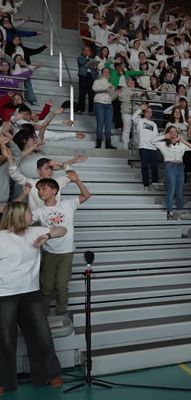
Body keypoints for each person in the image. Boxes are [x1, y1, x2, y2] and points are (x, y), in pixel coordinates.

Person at [0, 202, 66, 394]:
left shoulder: (34, 231)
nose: (32, 215)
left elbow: (62, 229)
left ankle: (49, 374)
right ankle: (4, 381)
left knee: (41, 335)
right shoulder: (2, 238)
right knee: (4, 340)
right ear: (19, 215)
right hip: (5, 296)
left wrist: (47, 235)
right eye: (29, 212)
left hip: (31, 294)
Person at [32, 174, 91, 316]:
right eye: (39, 190)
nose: (40, 192)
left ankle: (61, 312)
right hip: (49, 253)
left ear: (54, 190)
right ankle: (42, 314)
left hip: (66, 252)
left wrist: (77, 180)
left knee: (61, 285)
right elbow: (24, 222)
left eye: (43, 188)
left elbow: (86, 195)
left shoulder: (67, 204)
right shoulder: (39, 211)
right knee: (46, 287)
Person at [151, 126, 191, 220]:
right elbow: (152, 141)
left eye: (175, 132)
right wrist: (164, 136)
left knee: (180, 190)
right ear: (168, 133)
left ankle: (180, 211)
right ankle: (170, 211)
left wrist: (183, 140)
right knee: (171, 189)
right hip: (170, 166)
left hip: (180, 167)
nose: (173, 133)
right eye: (171, 132)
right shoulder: (163, 144)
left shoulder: (181, 144)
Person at [133, 103, 159, 190]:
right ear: (144, 113)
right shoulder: (140, 121)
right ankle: (146, 184)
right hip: (143, 147)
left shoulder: (154, 124)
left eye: (150, 112)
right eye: (147, 111)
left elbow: (156, 136)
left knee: (154, 167)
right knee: (144, 166)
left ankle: (155, 183)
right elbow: (133, 118)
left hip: (153, 148)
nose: (149, 113)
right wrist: (140, 109)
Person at [92, 67, 116, 149]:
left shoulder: (111, 85)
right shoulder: (97, 81)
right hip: (99, 103)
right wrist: (105, 89)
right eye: (105, 72)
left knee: (108, 125)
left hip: (109, 105)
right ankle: (98, 143)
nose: (106, 73)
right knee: (100, 124)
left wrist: (115, 94)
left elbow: (112, 98)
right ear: (102, 73)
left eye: (108, 72)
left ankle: (108, 144)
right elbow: (94, 88)